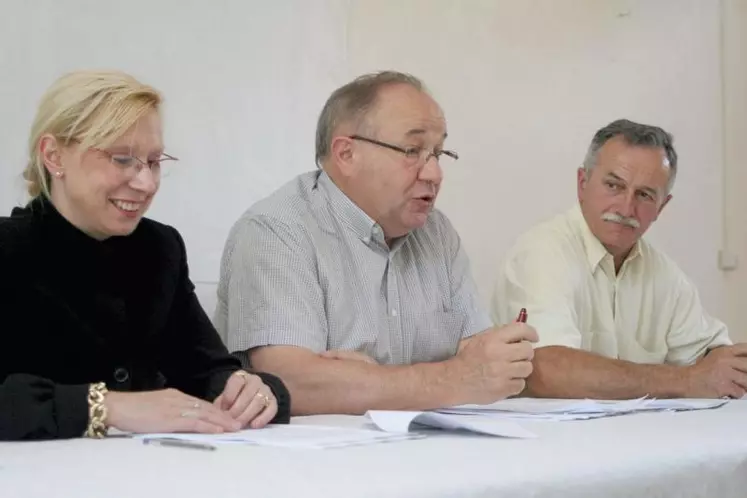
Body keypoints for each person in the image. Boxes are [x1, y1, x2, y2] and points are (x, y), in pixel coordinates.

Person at [215, 71, 536, 415]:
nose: (434, 174)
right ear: (347, 154)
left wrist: (370, 380)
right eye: (412, 150)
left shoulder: (437, 233)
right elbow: (287, 383)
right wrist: (449, 378)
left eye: (439, 154)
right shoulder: (277, 230)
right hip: (312, 464)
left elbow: (481, 364)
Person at [0, 70, 290, 441]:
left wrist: (249, 390)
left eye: (153, 162)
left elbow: (207, 369)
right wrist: (108, 407)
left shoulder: (161, 249)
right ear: (54, 156)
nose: (146, 183)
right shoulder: (9, 250)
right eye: (122, 159)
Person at [491, 118, 745, 399]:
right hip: (550, 440)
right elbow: (547, 370)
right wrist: (685, 380)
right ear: (582, 183)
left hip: (634, 437)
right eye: (614, 186)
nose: (626, 208)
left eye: (645, 195)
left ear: (662, 206)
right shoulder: (543, 252)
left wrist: (724, 365)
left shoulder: (665, 275)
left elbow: (713, 357)